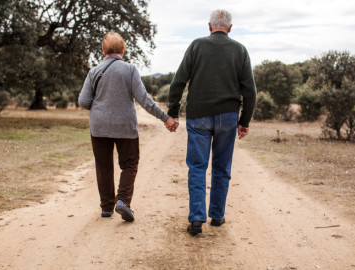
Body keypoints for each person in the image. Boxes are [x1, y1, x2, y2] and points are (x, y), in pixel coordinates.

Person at [167, 9, 257, 235]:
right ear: (230, 28)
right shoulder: (240, 50)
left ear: (209, 26)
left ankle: (197, 219)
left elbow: (178, 82)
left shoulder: (196, 46)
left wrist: (173, 112)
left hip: (198, 115)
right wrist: (244, 121)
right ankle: (217, 216)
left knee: (197, 167)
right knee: (221, 166)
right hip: (228, 116)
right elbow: (250, 91)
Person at [79, 32, 178, 222]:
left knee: (103, 165)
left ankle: (106, 207)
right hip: (125, 125)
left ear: (103, 50)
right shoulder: (130, 70)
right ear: (123, 50)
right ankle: (123, 200)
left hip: (99, 126)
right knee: (130, 164)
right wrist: (165, 118)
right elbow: (145, 100)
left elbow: (83, 101)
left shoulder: (93, 71)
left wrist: (100, 106)